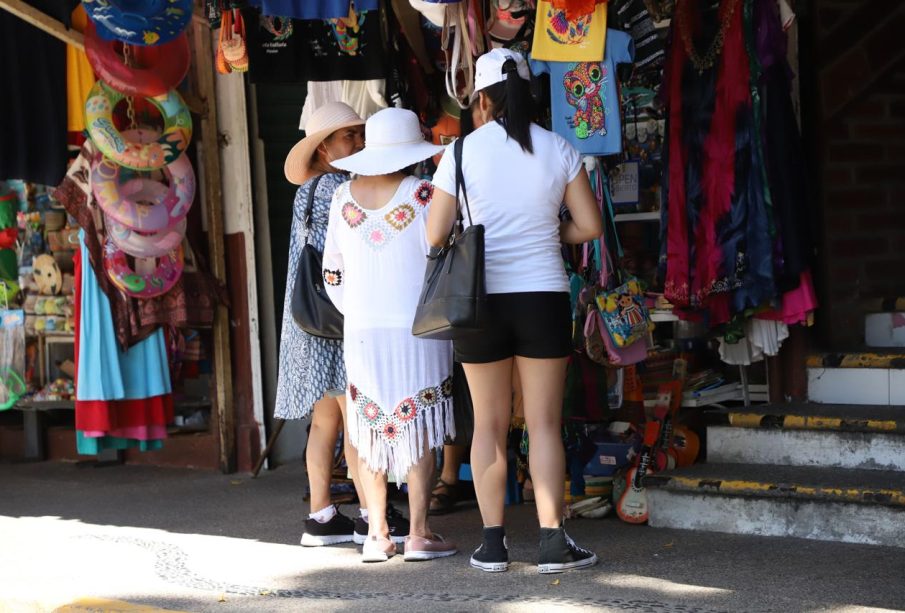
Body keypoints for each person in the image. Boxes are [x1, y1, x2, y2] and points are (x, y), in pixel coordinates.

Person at [426, 48, 604, 574]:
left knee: (489, 425)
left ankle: (492, 545)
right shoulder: (559, 148)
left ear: (481, 100)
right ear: (528, 92)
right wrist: (552, 233)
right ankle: (552, 541)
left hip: (478, 302)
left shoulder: (458, 154)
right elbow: (589, 227)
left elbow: (435, 235)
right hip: (544, 296)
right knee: (544, 423)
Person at [324, 107, 459, 563]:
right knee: (420, 422)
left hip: (361, 329)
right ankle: (419, 533)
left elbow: (332, 274)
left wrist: (359, 309)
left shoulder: (341, 198)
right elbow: (444, 252)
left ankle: (377, 533)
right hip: (419, 327)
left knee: (367, 426)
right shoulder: (425, 194)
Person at [276, 102, 408, 547]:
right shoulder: (339, 188)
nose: (359, 141)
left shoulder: (307, 190)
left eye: (359, 133)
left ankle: (320, 515)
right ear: (325, 148)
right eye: (349, 136)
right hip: (338, 317)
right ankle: (372, 513)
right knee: (356, 420)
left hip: (309, 321)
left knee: (324, 420)